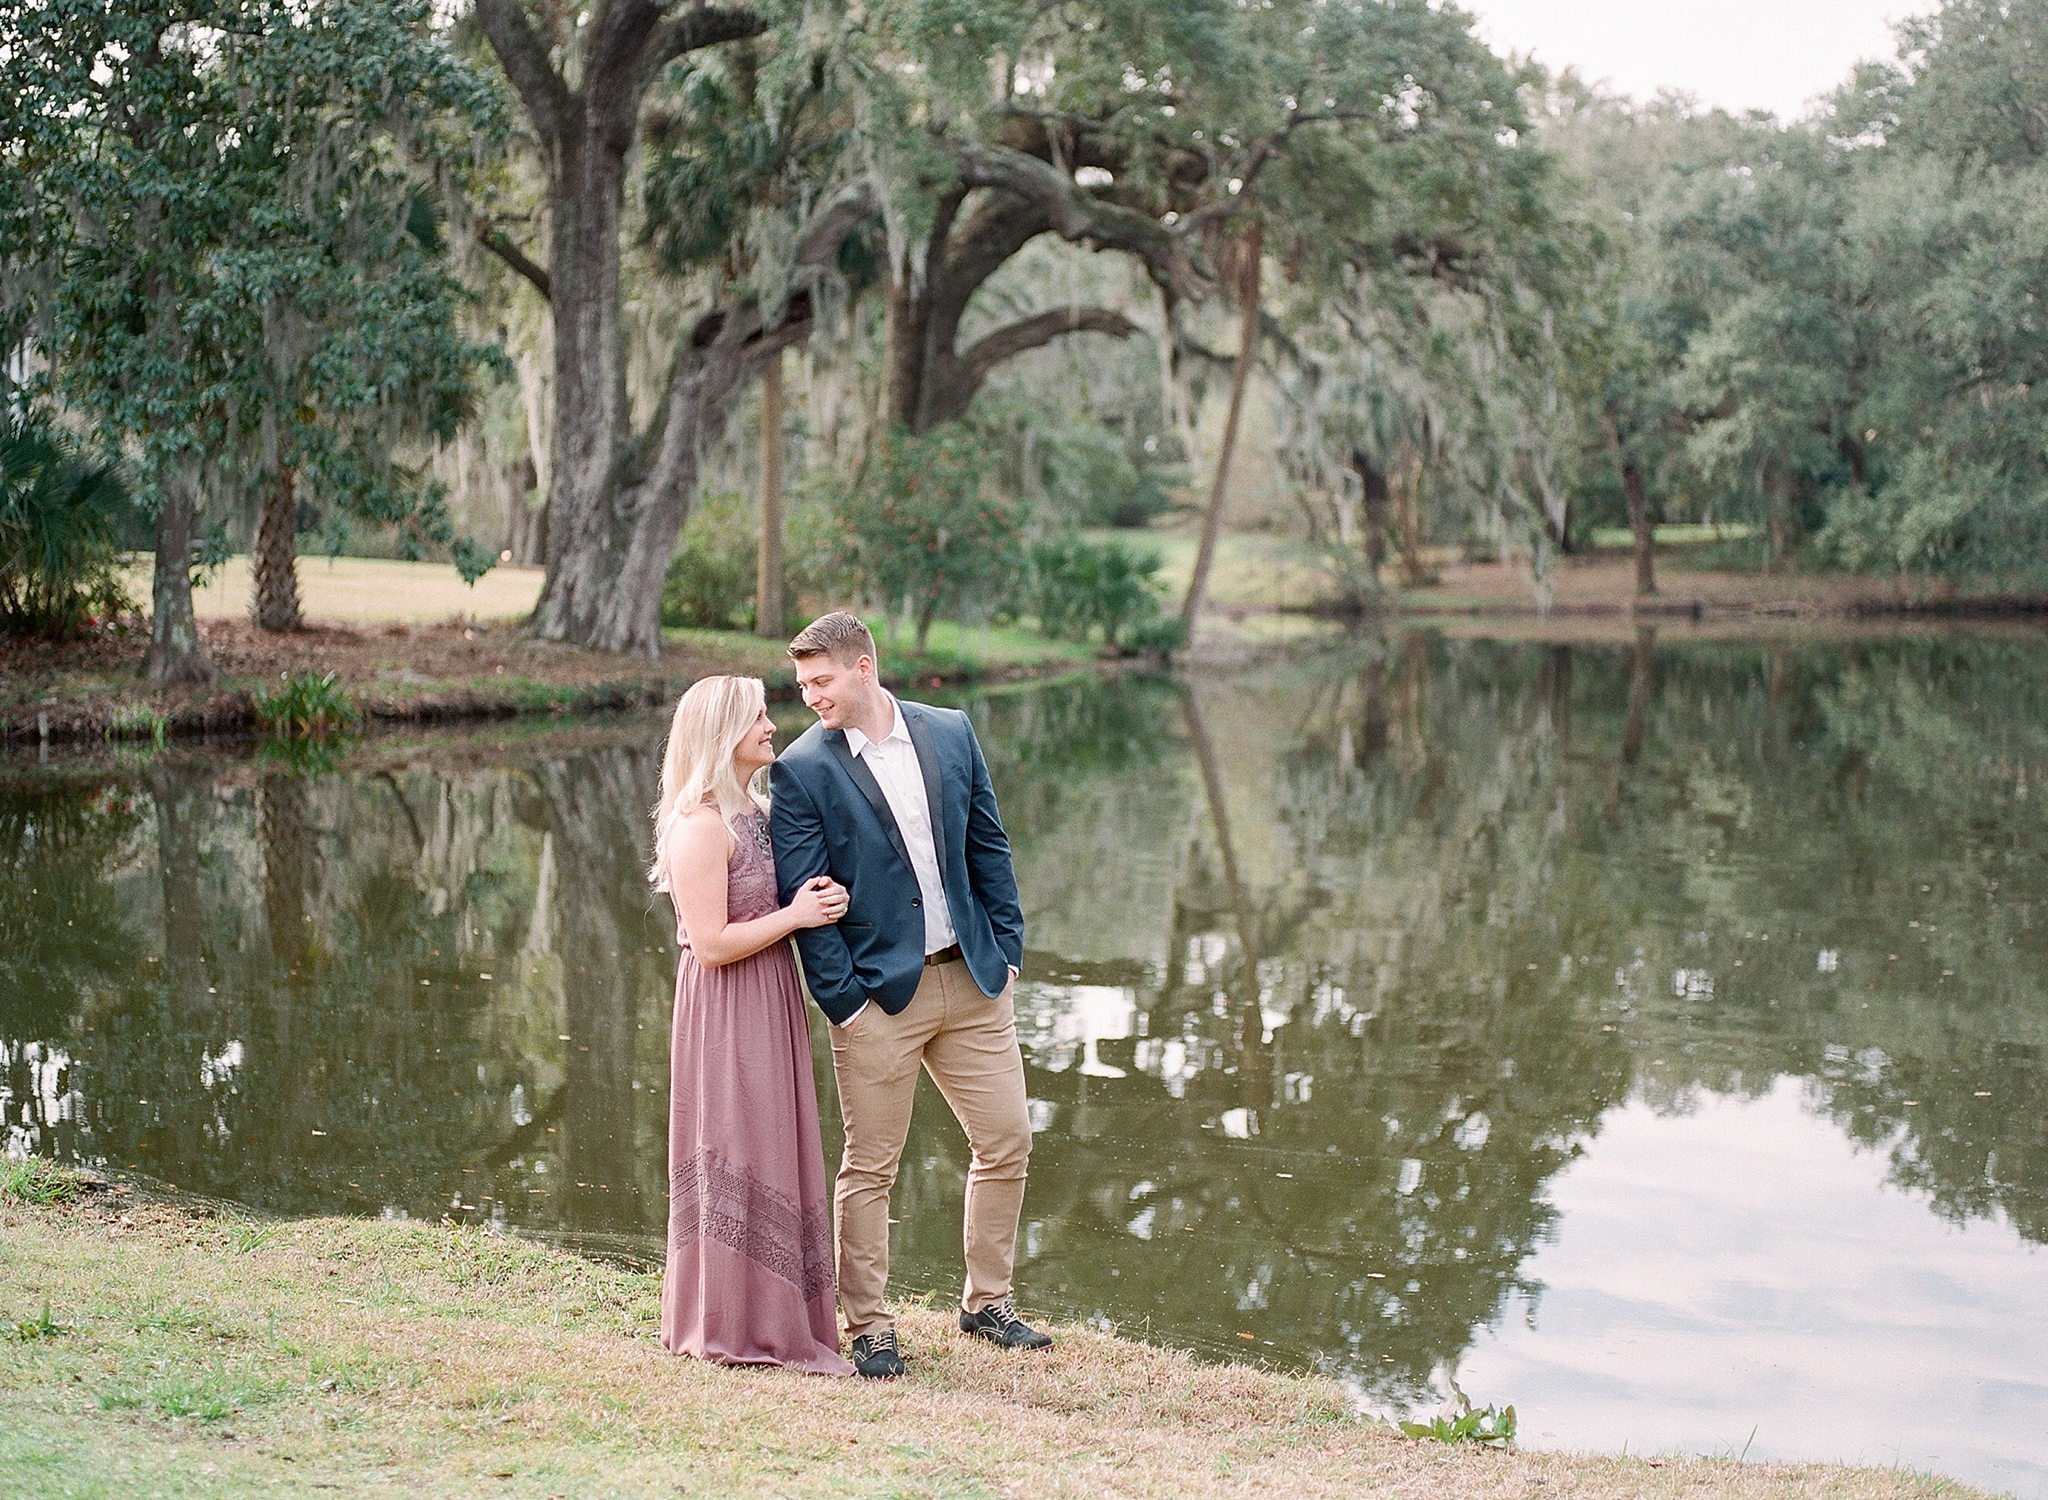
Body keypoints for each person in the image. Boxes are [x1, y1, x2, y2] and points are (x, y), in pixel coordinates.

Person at [768, 611, 1053, 1380]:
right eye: (801, 686)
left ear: (864, 667)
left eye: (820, 681)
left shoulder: (951, 731)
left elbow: (988, 843)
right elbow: (805, 902)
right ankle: (869, 1325)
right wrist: (846, 1004)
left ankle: (986, 1301)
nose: (810, 698)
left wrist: (1010, 946)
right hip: (878, 1002)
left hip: (972, 980)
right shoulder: (802, 770)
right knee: (872, 1167)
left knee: (1007, 1142)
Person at [651, 674, 854, 1375]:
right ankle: (728, 1322)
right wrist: (795, 917)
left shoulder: (760, 811)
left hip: (771, 993)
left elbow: (780, 897)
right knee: (735, 1141)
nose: (773, 726)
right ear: (720, 734)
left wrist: (818, 898)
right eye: (758, 717)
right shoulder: (700, 826)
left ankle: (781, 1315)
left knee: (774, 1139)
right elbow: (708, 943)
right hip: (726, 1004)